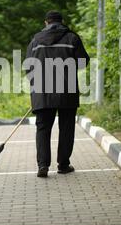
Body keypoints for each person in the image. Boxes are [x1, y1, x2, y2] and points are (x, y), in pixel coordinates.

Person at [25, 11, 90, 178]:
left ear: (46, 22)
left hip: (42, 91)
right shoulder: (72, 38)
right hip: (67, 91)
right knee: (66, 128)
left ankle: (43, 166)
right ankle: (63, 164)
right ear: (62, 22)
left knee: (43, 128)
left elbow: (28, 67)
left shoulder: (35, 40)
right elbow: (83, 62)